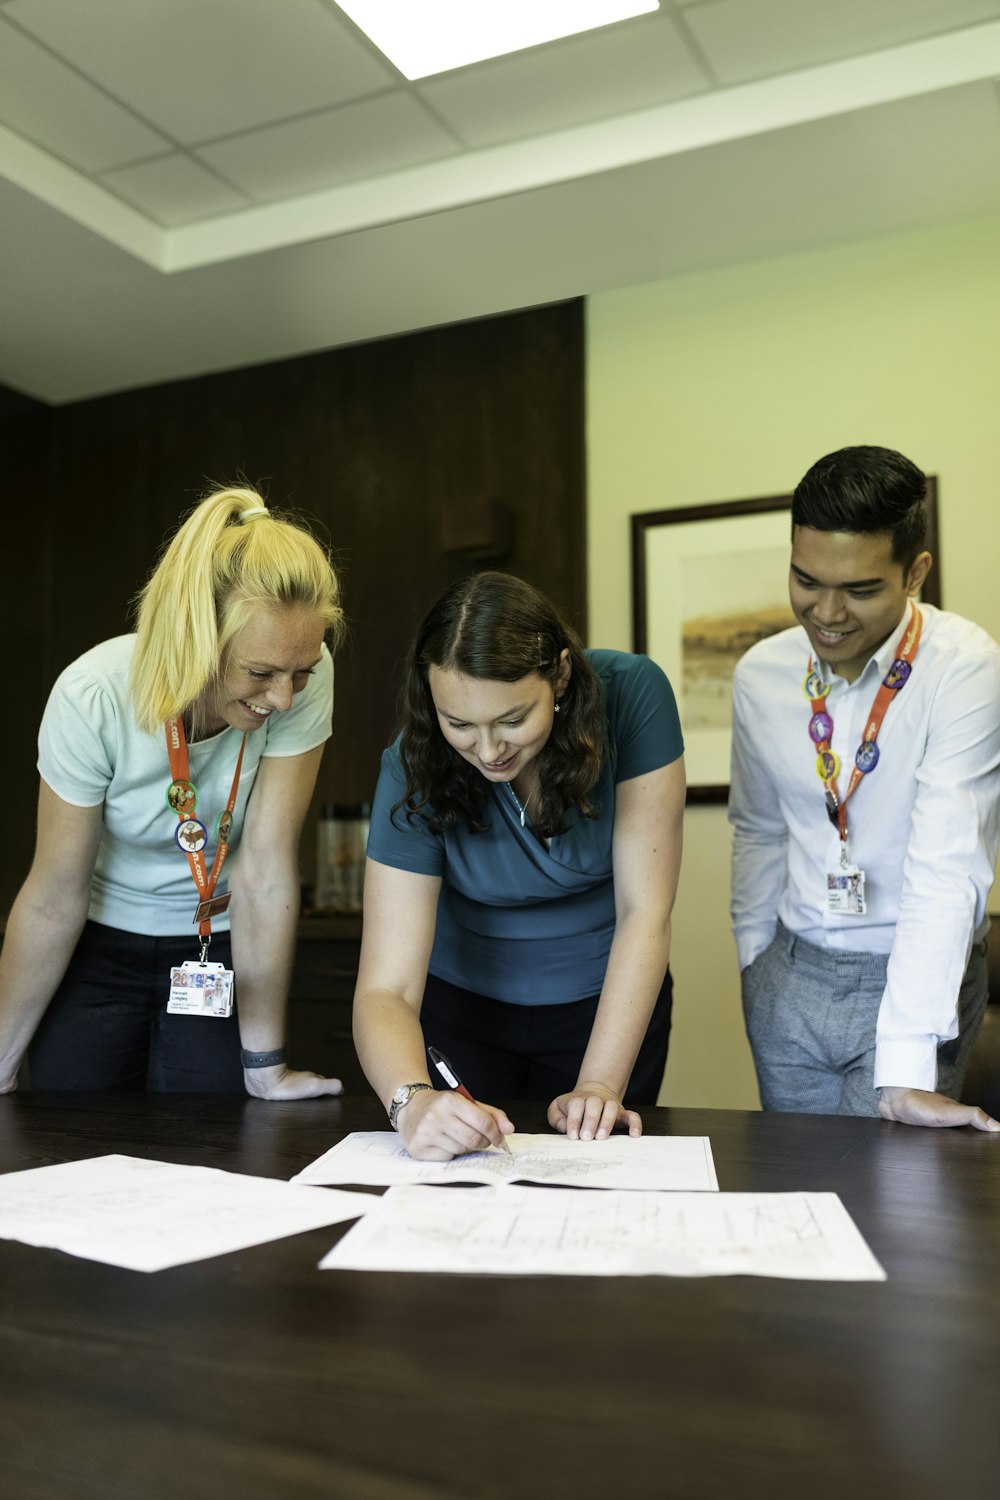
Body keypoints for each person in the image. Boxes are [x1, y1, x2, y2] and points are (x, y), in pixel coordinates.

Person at [0, 485, 346, 1099]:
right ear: (196, 639)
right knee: (71, 1117)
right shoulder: (94, 695)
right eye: (260, 674)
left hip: (216, 941)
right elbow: (55, 895)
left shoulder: (299, 677)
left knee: (213, 1122)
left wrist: (266, 1064)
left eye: (302, 672)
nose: (285, 699)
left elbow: (265, 870)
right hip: (97, 937)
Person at [353, 571, 685, 1161]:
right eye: (460, 725)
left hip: (608, 1004)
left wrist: (600, 1084)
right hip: (463, 1012)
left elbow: (645, 910)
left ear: (559, 674)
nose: (488, 750)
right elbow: (387, 986)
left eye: (511, 720)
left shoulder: (632, 694)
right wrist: (411, 1102)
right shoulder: (414, 760)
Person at [729, 445, 1000, 1131]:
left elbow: (948, 861)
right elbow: (758, 828)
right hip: (790, 972)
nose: (826, 612)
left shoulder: (964, 670)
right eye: (806, 580)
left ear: (915, 573)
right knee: (798, 1200)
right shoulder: (762, 674)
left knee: (890, 1209)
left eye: (859, 589)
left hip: (911, 978)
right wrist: (756, 962)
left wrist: (907, 1061)